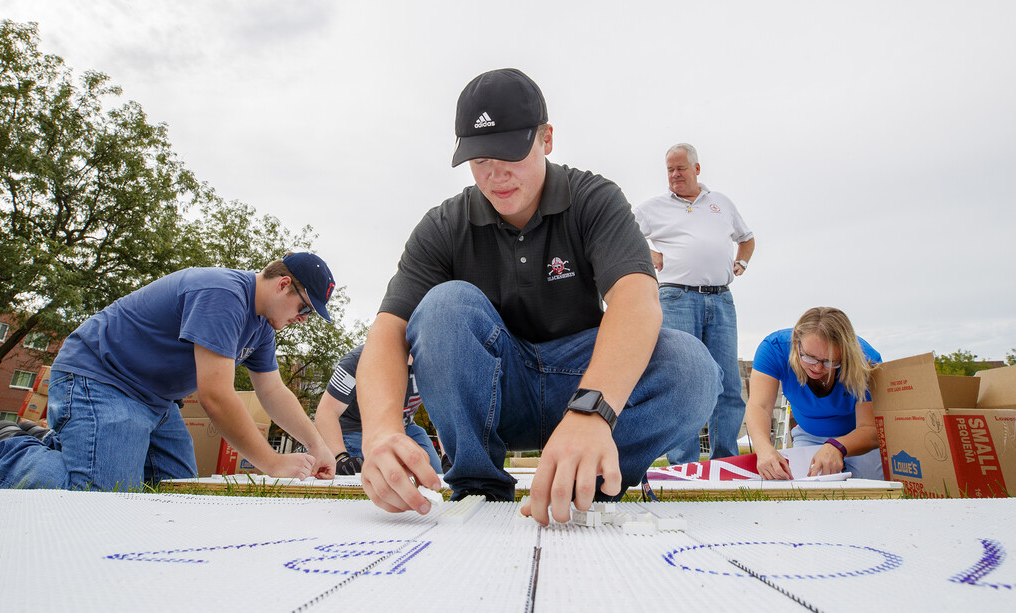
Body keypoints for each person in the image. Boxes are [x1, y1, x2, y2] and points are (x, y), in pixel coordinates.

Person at [355, 68, 721, 526]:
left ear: (546, 138)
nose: (496, 174)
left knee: (692, 366)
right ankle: (479, 487)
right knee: (443, 306)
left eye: (511, 152)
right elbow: (386, 333)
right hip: (498, 387)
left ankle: (589, 480)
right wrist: (380, 433)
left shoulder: (595, 199)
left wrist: (592, 410)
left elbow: (636, 300)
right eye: (480, 157)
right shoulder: (444, 225)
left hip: (585, 380)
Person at [0, 252, 339, 490]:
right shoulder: (223, 294)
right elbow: (216, 396)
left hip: (154, 401)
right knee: (101, 496)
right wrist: (271, 461)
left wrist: (318, 445)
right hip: (100, 380)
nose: (302, 320)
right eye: (304, 309)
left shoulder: (261, 325)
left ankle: (58, 445)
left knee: (176, 491)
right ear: (283, 284)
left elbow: (273, 393)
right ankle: (7, 449)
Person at [633, 143, 755, 463]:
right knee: (683, 382)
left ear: (696, 169)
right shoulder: (653, 208)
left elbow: (747, 238)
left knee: (727, 383)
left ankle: (726, 463)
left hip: (721, 300)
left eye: (681, 169)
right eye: (670, 170)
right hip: (676, 298)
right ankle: (683, 466)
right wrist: (649, 254)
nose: (674, 175)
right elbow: (620, 232)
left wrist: (742, 263)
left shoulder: (721, 204)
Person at [744, 307, 883, 480]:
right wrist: (764, 448)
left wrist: (837, 446)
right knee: (805, 485)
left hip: (857, 438)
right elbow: (759, 406)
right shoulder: (774, 349)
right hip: (809, 435)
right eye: (809, 357)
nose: (817, 368)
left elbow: (870, 429)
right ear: (796, 340)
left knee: (870, 485)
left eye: (829, 361)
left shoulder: (867, 360)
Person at [314, 344, 442, 475]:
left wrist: (449, 458)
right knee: (372, 474)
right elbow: (326, 412)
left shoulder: (437, 365)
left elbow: (443, 417)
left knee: (436, 475)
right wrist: (340, 457)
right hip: (357, 429)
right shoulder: (357, 361)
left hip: (406, 427)